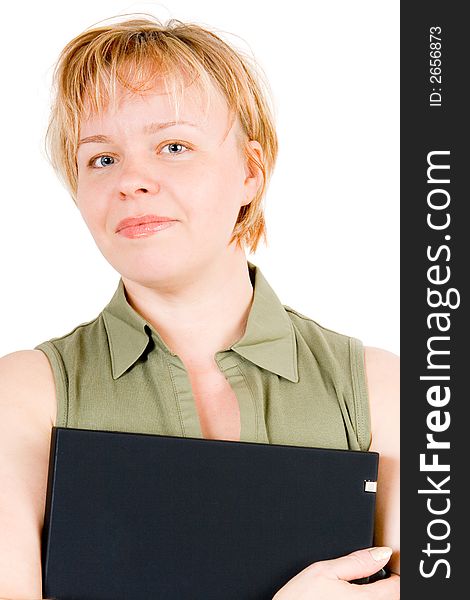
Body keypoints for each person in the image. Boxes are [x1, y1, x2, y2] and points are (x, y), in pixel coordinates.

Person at [0, 15, 400, 599]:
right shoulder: (23, 396)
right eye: (101, 159)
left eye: (174, 147)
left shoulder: (380, 389)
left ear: (250, 172)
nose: (132, 181)